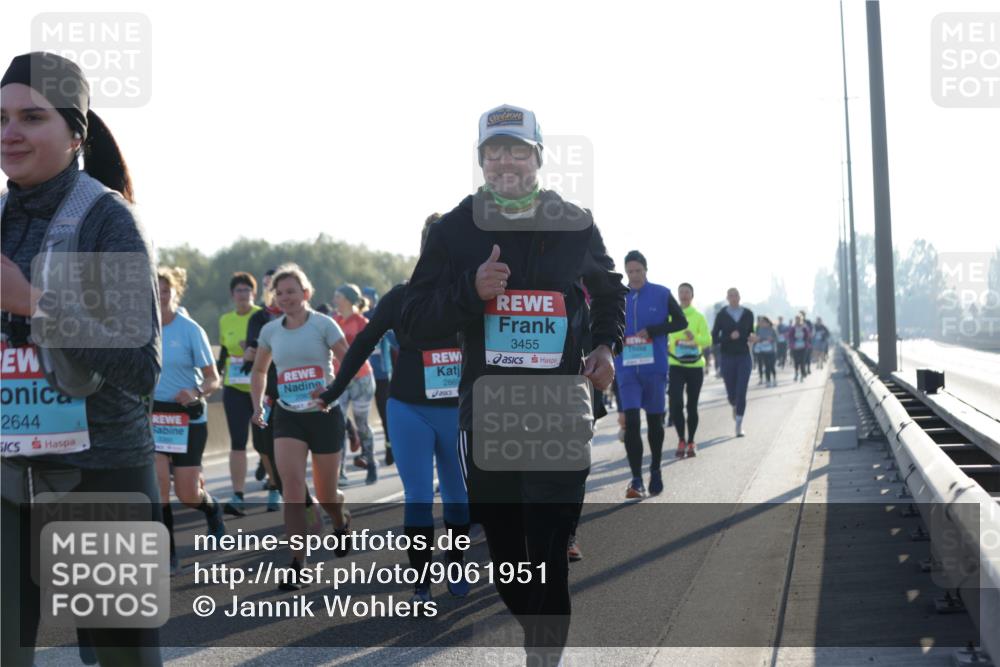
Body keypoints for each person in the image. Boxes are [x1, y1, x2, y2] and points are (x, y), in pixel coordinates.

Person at [400, 104, 626, 660]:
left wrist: (604, 346)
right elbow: (412, 319)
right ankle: (537, 634)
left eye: (517, 150)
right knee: (506, 560)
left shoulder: (574, 221)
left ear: (537, 157)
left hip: (559, 407)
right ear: (480, 161)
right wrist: (469, 291)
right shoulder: (456, 229)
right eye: (493, 151)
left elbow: (610, 290)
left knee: (548, 550)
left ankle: (541, 655)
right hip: (491, 411)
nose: (505, 161)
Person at [1, 51, 162, 666]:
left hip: (102, 477)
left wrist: (31, 303)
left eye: (31, 117)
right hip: (9, 477)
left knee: (124, 660)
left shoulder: (107, 220)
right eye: (1, 117)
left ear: (75, 135)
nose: (10, 133)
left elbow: (141, 366)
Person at [315, 214, 470, 606]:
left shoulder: (471, 293)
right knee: (418, 495)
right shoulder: (401, 296)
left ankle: (456, 565)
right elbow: (364, 342)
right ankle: (420, 583)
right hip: (408, 408)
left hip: (457, 409)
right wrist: (333, 390)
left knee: (458, 495)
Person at [249, 264, 352, 587]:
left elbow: (348, 360)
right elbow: (260, 372)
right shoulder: (270, 331)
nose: (285, 298)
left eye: (292, 291)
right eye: (280, 293)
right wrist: (257, 406)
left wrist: (331, 391)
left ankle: (340, 520)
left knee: (325, 494)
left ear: (305, 293)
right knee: (292, 488)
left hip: (323, 413)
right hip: (288, 414)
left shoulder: (324, 324)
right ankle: (297, 562)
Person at [153, 267, 226, 574]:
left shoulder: (189, 329)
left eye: (166, 289)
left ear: (175, 292)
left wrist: (195, 392)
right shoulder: (142, 329)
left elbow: (213, 379)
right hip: (154, 417)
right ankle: (168, 554)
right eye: (155, 290)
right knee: (158, 490)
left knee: (187, 493)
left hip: (187, 420)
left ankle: (211, 508)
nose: (160, 295)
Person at [614, 250, 686, 497]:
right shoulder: (618, 296)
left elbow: (680, 323)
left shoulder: (662, 293)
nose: (634, 276)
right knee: (632, 423)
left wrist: (654, 330)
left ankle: (655, 470)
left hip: (654, 368)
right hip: (626, 369)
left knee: (655, 423)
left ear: (646, 270)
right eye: (630, 272)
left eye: (638, 271)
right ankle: (636, 480)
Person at [217, 272, 262, 516]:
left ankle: (275, 488)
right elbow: (224, 350)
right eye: (238, 291)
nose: (243, 295)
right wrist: (215, 372)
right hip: (233, 386)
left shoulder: (261, 316)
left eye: (247, 290)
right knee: (237, 441)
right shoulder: (225, 320)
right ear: (232, 295)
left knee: (263, 443)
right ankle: (238, 494)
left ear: (253, 294)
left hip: (259, 387)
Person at [332, 284, 378, 484]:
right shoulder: (334, 321)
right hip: (339, 379)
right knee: (338, 424)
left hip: (361, 379)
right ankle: (339, 472)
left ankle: (371, 463)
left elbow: (368, 347)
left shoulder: (362, 322)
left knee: (361, 424)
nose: (335, 300)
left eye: (338, 296)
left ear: (349, 300)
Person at [668, 283, 712, 458]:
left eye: (687, 292)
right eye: (681, 292)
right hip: (676, 364)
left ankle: (692, 440)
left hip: (694, 366)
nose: (684, 295)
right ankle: (681, 439)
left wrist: (695, 338)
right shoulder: (671, 315)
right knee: (676, 403)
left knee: (691, 405)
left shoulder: (698, 317)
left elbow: (708, 340)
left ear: (692, 295)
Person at [711, 288, 755, 437]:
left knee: (741, 391)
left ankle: (739, 424)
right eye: (731, 296)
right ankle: (734, 405)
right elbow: (714, 337)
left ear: (740, 297)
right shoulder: (722, 315)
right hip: (727, 357)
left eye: (736, 295)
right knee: (732, 394)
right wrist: (729, 337)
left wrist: (751, 337)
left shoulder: (748, 314)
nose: (734, 298)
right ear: (727, 298)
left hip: (744, 356)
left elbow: (750, 332)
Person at [362, 286, 397, 466]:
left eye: (369, 296)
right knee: (362, 415)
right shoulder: (359, 316)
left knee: (384, 413)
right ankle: (365, 452)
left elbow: (394, 340)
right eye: (364, 296)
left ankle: (390, 448)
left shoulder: (381, 312)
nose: (366, 299)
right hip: (362, 374)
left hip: (382, 372)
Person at [754, 316, 778, 387]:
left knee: (772, 366)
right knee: (766, 366)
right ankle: (768, 381)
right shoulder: (759, 329)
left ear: (767, 323)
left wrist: (772, 339)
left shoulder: (772, 329)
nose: (761, 323)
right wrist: (758, 339)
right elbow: (757, 338)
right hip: (763, 350)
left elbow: (776, 339)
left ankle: (774, 378)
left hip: (771, 350)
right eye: (761, 322)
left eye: (763, 322)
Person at [787, 314, 812, 382]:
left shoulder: (804, 328)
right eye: (796, 319)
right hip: (795, 347)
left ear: (801, 320)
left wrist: (805, 341)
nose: (797, 320)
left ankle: (802, 375)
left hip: (803, 347)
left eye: (798, 319)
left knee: (802, 361)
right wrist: (792, 341)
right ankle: (796, 373)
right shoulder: (793, 328)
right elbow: (790, 336)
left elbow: (808, 336)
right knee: (796, 361)